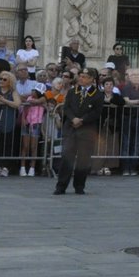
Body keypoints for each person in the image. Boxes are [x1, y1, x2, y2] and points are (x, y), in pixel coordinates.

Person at [54, 67, 103, 195]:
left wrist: (82, 120)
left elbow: (96, 112)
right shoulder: (72, 91)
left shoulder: (97, 94)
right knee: (67, 157)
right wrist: (73, 119)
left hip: (87, 130)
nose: (81, 78)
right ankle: (61, 186)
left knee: (84, 159)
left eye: (84, 77)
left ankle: (79, 185)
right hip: (71, 128)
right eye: (80, 76)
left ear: (92, 79)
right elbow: (67, 107)